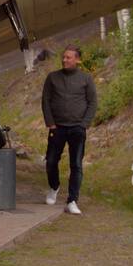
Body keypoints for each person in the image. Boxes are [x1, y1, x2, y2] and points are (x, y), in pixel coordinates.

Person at [41, 44, 97, 215]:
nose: (64, 60)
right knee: (51, 161)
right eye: (63, 57)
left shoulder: (86, 79)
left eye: (68, 57)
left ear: (77, 60)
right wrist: (50, 123)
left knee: (76, 165)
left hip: (77, 129)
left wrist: (84, 124)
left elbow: (92, 103)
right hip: (57, 127)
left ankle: (72, 200)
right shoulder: (52, 77)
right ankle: (54, 186)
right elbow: (46, 101)